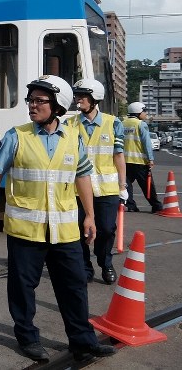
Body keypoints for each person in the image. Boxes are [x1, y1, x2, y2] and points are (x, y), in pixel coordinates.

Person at [0, 75, 115, 362]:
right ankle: (27, 338)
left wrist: (89, 215)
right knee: (23, 288)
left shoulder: (73, 139)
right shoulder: (17, 136)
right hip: (27, 231)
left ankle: (82, 341)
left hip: (65, 232)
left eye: (40, 101)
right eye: (31, 100)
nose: (32, 106)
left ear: (58, 106)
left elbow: (83, 178)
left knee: (74, 287)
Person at [68, 79, 126, 285]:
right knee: (78, 230)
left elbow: (119, 156)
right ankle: (85, 266)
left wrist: (123, 186)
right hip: (77, 190)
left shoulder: (113, 123)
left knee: (107, 229)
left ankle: (105, 262)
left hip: (106, 189)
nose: (78, 99)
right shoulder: (69, 124)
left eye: (83, 96)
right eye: (77, 95)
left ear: (95, 99)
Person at [123, 102, 162, 213]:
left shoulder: (122, 123)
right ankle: (156, 206)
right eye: (144, 111)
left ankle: (131, 206)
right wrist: (150, 159)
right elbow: (146, 143)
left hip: (125, 161)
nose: (145, 114)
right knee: (147, 185)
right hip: (139, 161)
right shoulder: (141, 124)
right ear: (138, 112)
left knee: (126, 185)